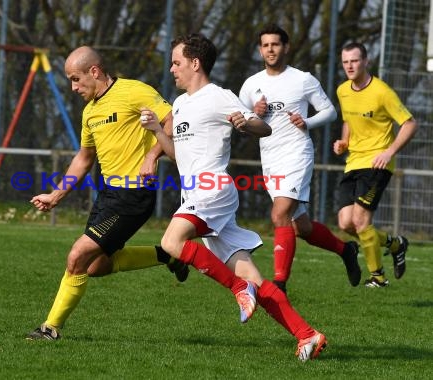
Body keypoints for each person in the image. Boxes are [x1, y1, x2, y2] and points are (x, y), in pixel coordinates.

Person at [141, 33, 326, 361]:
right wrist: (157, 130)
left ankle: (239, 290)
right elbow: (177, 156)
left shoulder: (219, 96)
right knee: (253, 277)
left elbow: (263, 128)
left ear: (195, 64)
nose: (172, 69)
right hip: (196, 193)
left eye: (176, 62)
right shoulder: (181, 104)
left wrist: (245, 124)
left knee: (171, 242)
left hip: (213, 189)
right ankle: (307, 335)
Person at [26, 46, 190, 340]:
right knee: (95, 267)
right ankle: (168, 256)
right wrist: (56, 194)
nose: (74, 88)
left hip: (134, 196)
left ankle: (50, 328)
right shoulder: (90, 112)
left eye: (76, 79)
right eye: (70, 82)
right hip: (108, 195)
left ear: (95, 71)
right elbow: (84, 158)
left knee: (77, 256)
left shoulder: (133, 91)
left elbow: (171, 119)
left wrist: (153, 155)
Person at [238, 24, 361, 294]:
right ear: (260, 49)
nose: (270, 49)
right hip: (270, 159)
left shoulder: (302, 79)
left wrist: (306, 122)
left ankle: (279, 284)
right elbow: (240, 119)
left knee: (279, 214)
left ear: (286, 47)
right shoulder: (251, 84)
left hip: (297, 154)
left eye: (276, 44)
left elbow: (329, 111)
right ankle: (346, 250)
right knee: (301, 227)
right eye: (266, 45)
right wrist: (253, 112)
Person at [334, 42, 417, 288]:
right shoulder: (342, 90)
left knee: (360, 220)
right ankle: (395, 244)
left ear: (366, 61)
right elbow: (349, 119)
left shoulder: (382, 92)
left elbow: (410, 123)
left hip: (377, 164)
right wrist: (344, 142)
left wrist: (389, 152)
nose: (349, 66)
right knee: (346, 223)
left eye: (354, 60)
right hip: (354, 162)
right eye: (345, 61)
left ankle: (378, 278)